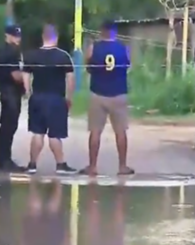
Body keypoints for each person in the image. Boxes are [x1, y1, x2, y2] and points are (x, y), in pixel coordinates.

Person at [22, 24, 78, 175]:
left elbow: (25, 75)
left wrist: (28, 92)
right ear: (56, 37)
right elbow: (70, 78)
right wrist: (69, 97)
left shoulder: (32, 55)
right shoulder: (63, 56)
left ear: (43, 37)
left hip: (37, 97)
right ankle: (60, 164)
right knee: (55, 134)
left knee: (37, 132)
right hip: (56, 98)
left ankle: (32, 164)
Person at [84, 20, 133, 176]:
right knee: (121, 131)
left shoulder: (93, 48)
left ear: (102, 31)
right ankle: (122, 166)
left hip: (98, 93)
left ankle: (92, 167)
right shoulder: (124, 48)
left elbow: (88, 67)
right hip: (119, 94)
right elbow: (128, 67)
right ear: (115, 32)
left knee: (95, 132)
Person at [0, 24, 26, 171]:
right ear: (7, 35)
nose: (17, 39)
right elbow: (15, 75)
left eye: (18, 36)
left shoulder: (4, 50)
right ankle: (4, 160)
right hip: (10, 90)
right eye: (14, 35)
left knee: (6, 125)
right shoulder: (10, 52)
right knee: (9, 126)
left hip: (7, 90)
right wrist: (28, 80)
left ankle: (0, 159)